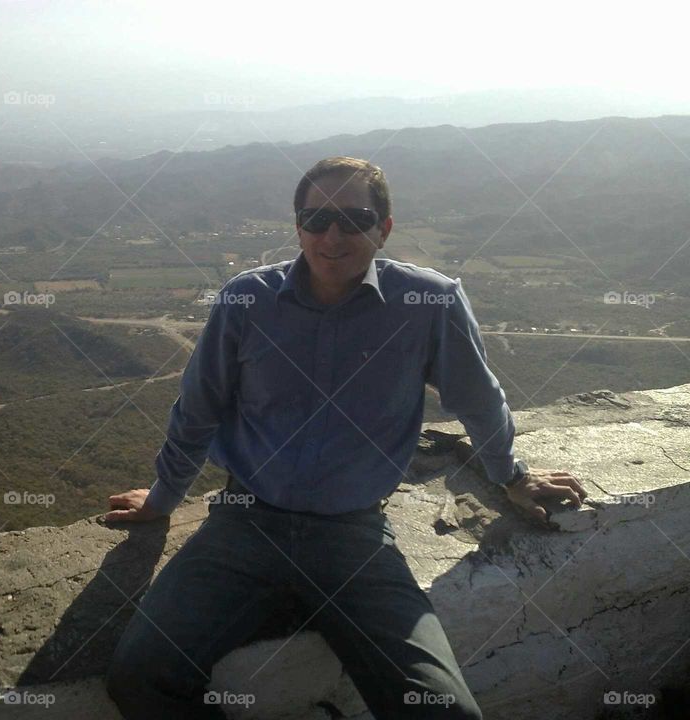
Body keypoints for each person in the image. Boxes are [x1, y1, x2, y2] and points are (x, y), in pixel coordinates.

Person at [103, 156, 587, 719]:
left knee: (444, 711)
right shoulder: (246, 300)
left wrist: (513, 476)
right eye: (316, 219)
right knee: (140, 676)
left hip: (354, 535)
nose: (332, 235)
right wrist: (163, 498)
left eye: (353, 219)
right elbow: (198, 409)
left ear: (384, 227)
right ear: (298, 227)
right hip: (244, 523)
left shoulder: (428, 302)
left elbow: (479, 402)